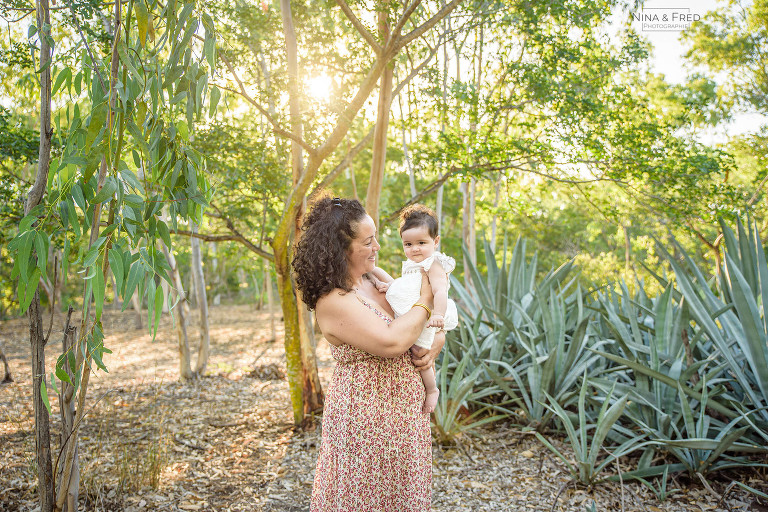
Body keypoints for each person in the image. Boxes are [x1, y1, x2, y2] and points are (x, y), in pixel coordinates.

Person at [292, 196, 444, 512]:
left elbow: (418, 325)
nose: (377, 247)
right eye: (368, 241)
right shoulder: (332, 301)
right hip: (364, 424)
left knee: (401, 496)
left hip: (404, 419)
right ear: (341, 249)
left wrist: (435, 345)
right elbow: (392, 341)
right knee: (362, 498)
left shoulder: (374, 278)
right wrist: (428, 297)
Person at [370, 204, 458, 414]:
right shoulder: (412, 265)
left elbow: (439, 292)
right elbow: (410, 287)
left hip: (430, 316)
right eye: (408, 244)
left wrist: (438, 315)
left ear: (435, 241)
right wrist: (390, 287)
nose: (414, 249)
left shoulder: (433, 264)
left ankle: (431, 388)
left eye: (421, 243)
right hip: (417, 311)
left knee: (419, 352)